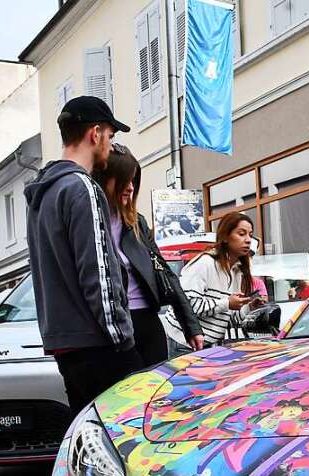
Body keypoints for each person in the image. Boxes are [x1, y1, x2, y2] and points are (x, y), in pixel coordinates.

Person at [25, 95, 141, 414]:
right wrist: (123, 339)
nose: (110, 145)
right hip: (98, 343)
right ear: (95, 133)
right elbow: (99, 272)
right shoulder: (82, 188)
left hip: (65, 342)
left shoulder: (43, 194)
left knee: (89, 439)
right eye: (110, 136)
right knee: (127, 440)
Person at [92, 143, 204, 364]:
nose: (131, 188)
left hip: (148, 323)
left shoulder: (136, 223)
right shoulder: (92, 222)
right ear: (105, 179)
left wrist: (191, 326)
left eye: (134, 181)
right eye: (124, 180)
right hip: (115, 328)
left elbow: (164, 272)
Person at [177, 212, 264, 347]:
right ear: (225, 237)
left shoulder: (236, 271)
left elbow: (224, 319)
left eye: (250, 235)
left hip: (209, 345)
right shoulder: (205, 263)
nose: (248, 240)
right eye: (241, 234)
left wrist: (248, 307)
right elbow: (187, 306)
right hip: (184, 343)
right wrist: (227, 303)